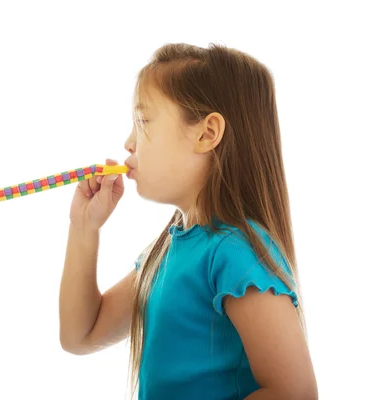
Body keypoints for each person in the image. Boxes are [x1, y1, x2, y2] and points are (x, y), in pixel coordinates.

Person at [58, 43, 317, 400]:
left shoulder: (235, 252)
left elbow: (295, 394)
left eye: (142, 121)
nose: (128, 142)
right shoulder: (163, 255)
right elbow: (80, 335)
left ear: (207, 134)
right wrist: (84, 227)